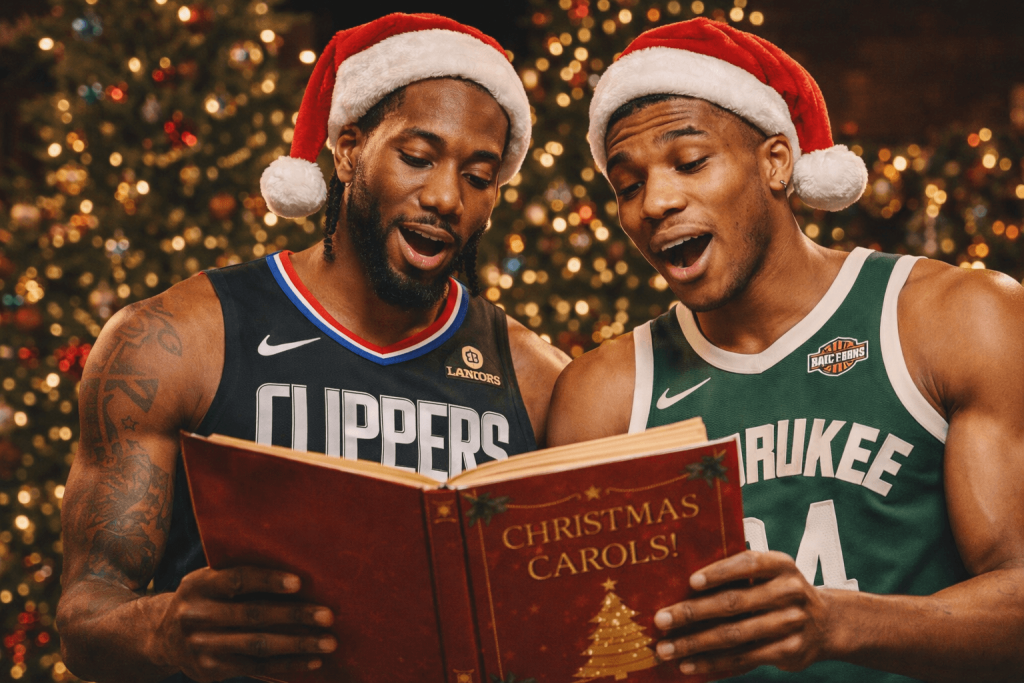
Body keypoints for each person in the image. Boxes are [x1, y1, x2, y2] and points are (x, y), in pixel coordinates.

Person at [57, 14, 568, 683]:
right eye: (417, 157)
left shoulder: (534, 378)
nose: (446, 197)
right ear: (349, 148)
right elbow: (83, 617)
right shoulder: (179, 340)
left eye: (478, 175)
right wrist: (162, 629)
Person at [549, 18, 1024, 682]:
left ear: (776, 161)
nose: (655, 201)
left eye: (690, 162)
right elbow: (580, 648)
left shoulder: (954, 317)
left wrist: (836, 624)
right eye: (628, 186)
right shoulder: (602, 394)